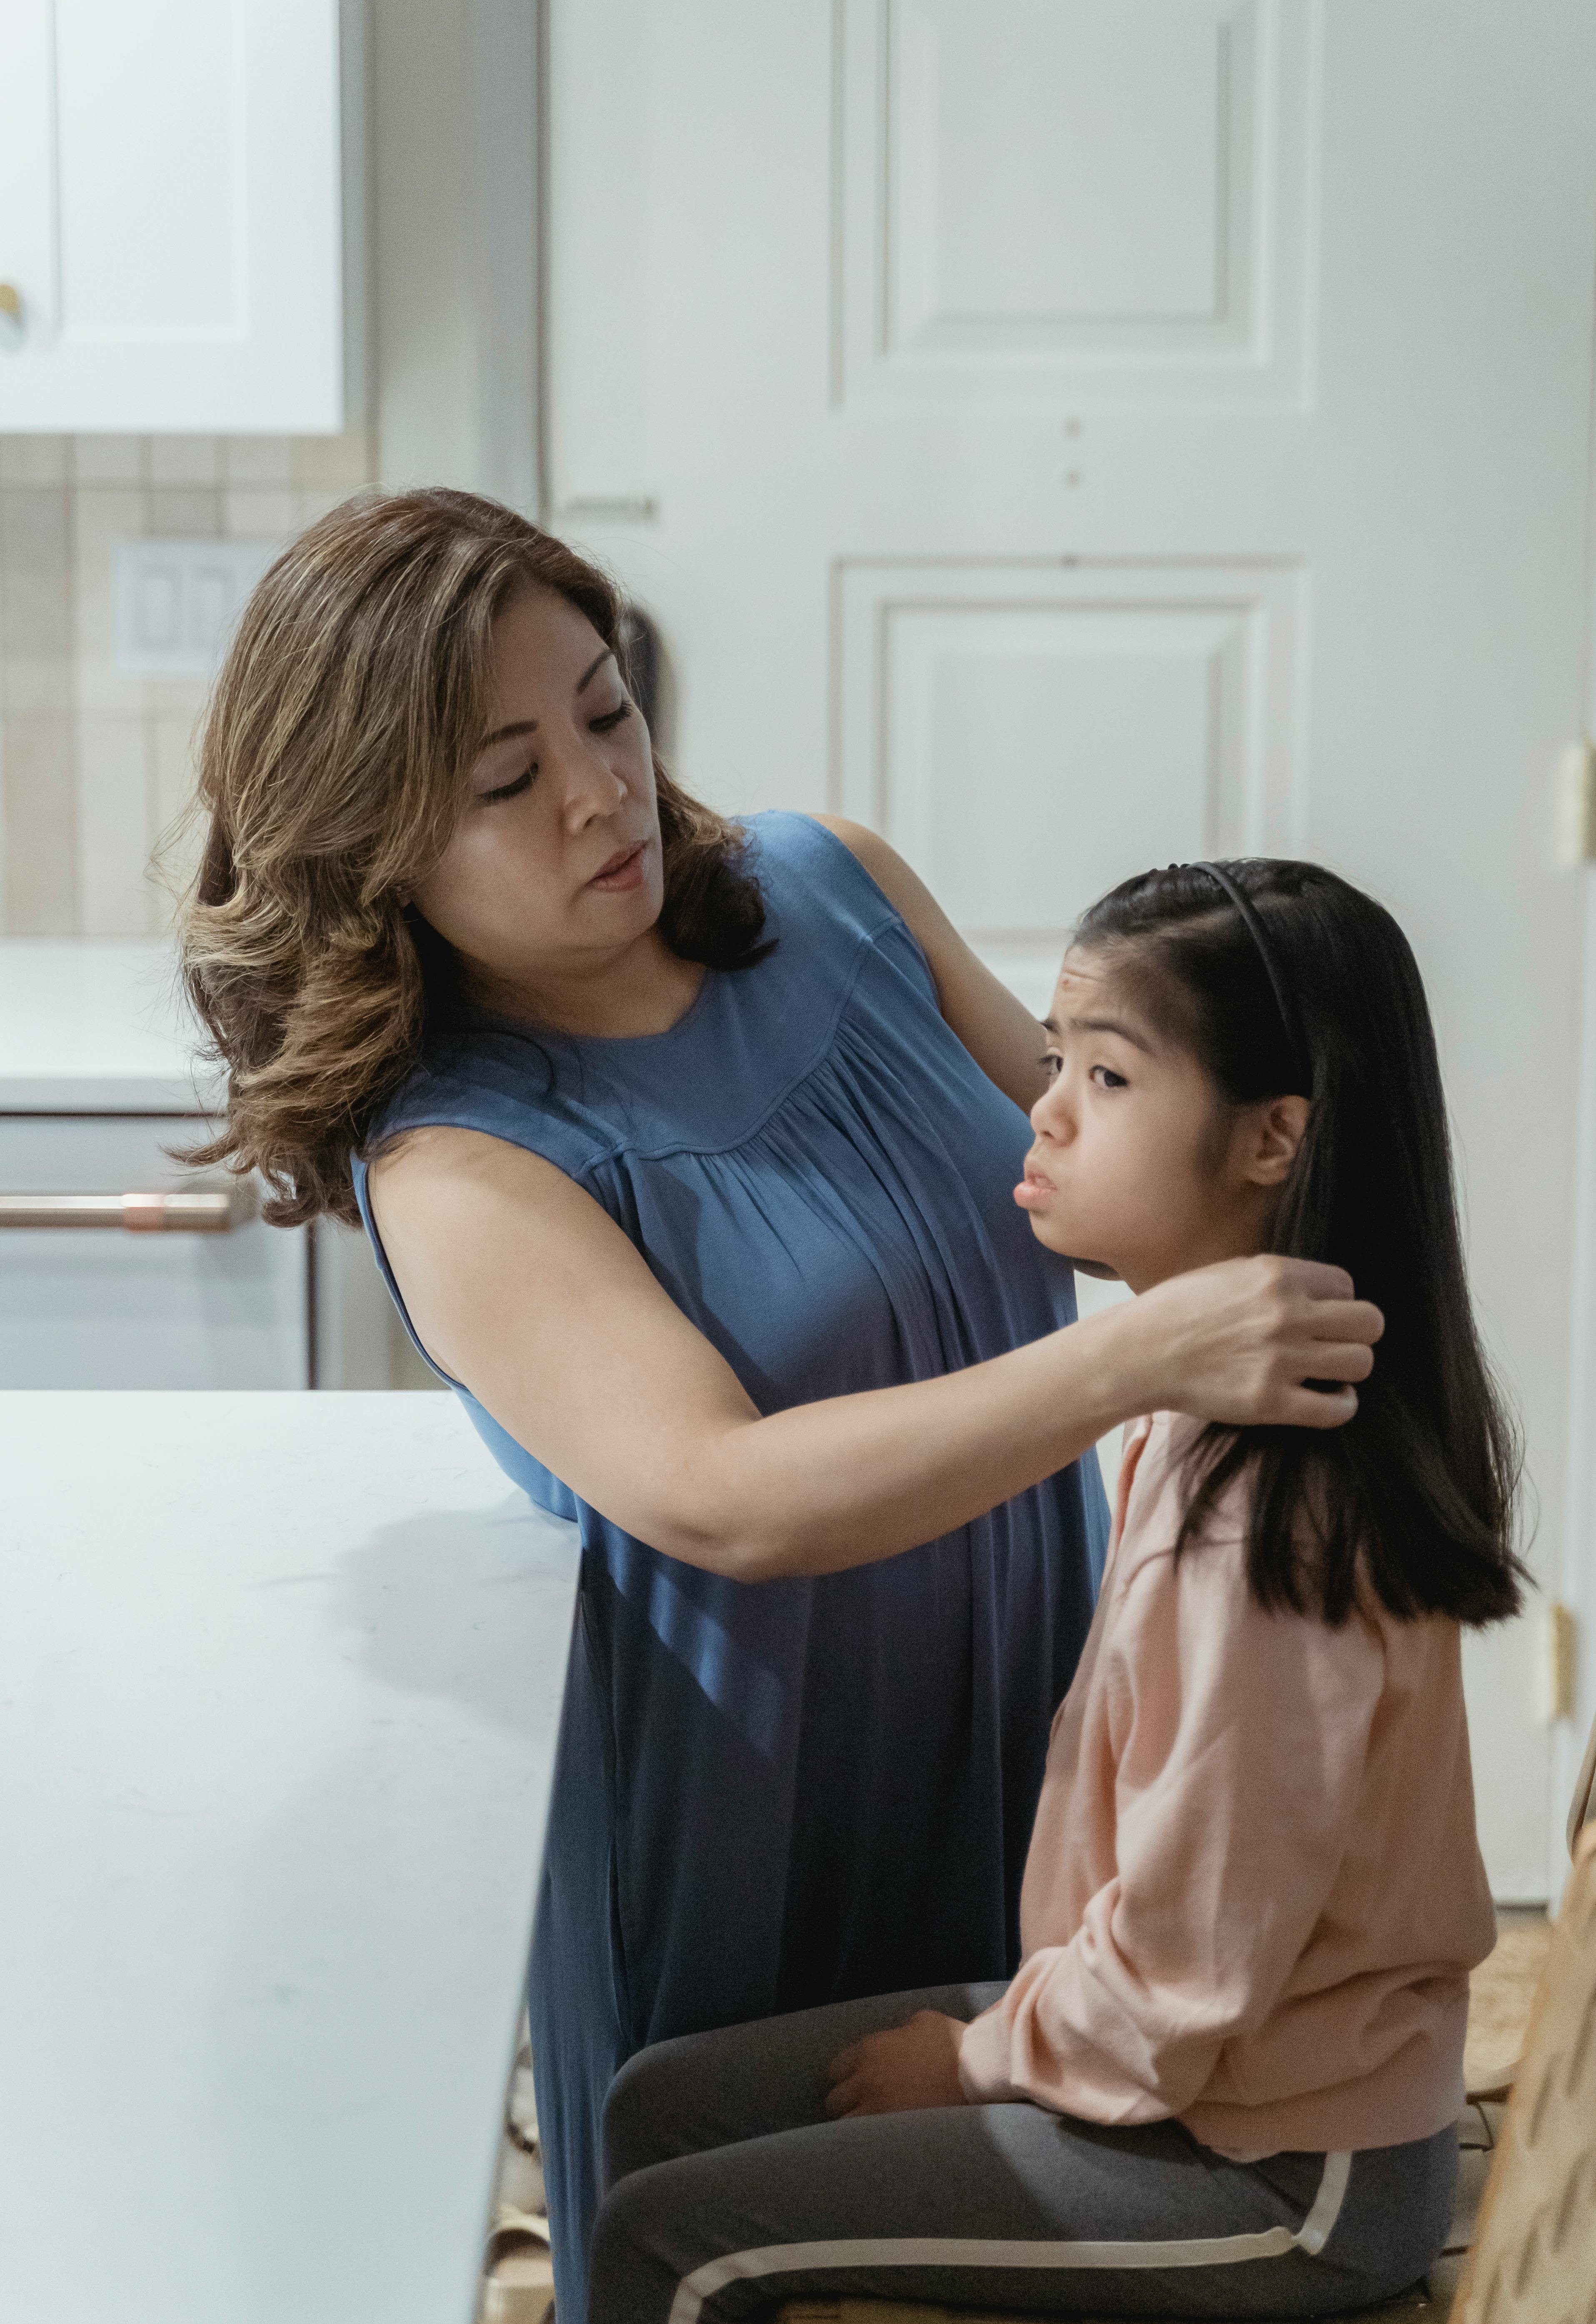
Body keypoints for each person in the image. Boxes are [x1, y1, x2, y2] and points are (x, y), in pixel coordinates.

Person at [175, 492, 1381, 2323]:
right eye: (506, 779)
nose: (598, 791)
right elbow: (724, 1494)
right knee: (735, 2233)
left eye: (603, 709)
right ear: (374, 848)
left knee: (1013, 2200)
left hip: (1030, 1701)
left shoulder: (838, 888)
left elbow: (1113, 1167)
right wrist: (1135, 1364)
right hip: (758, 1801)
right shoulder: (458, 1157)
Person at [587, 858, 1523, 2324]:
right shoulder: (1186, 1411)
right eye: (1053, 1062)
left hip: (1288, 2170)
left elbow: (1189, 1975)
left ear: (1275, 1136)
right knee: (658, 2105)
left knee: (673, 2236)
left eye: (1108, 1074)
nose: (1046, 1110)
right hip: (1198, 2079)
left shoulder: (1263, 1524)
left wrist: (964, 2063)